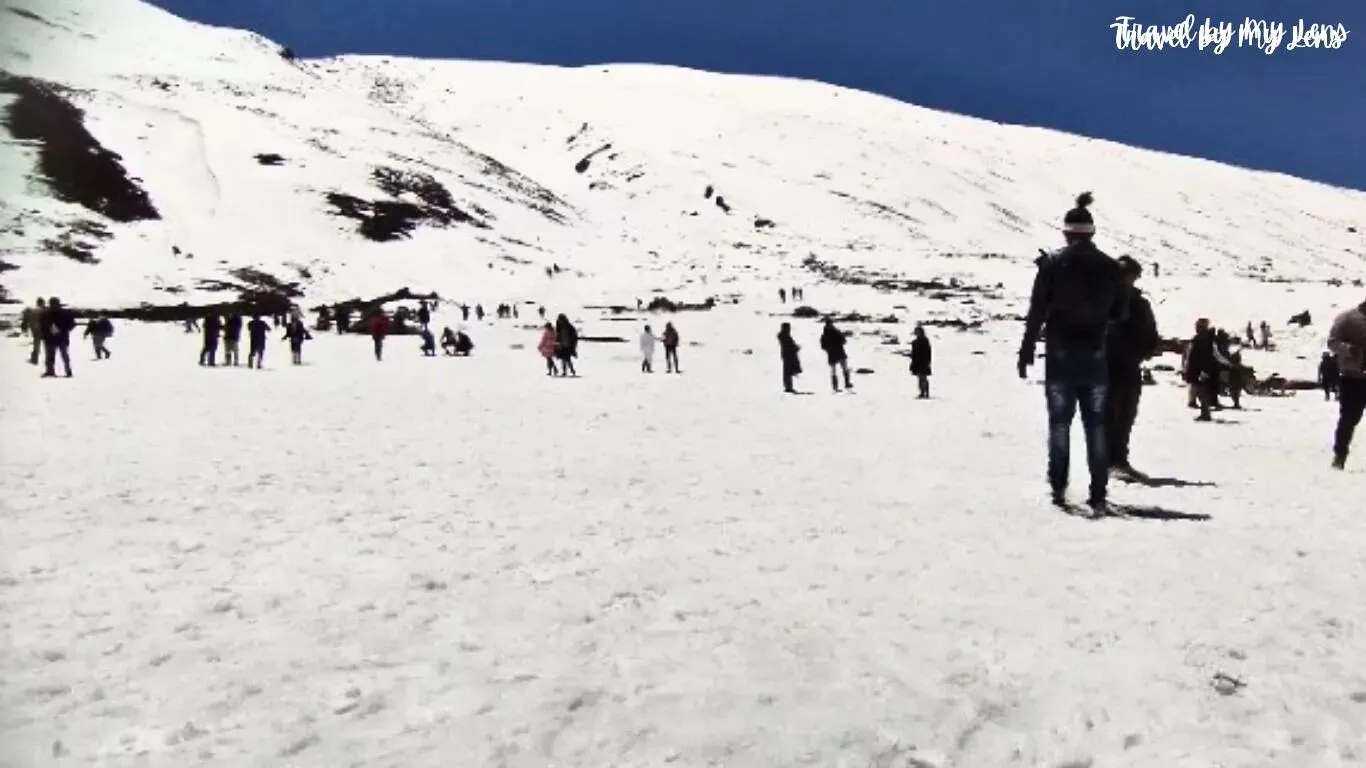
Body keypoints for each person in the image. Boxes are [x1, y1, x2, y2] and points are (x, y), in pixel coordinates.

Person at [1018, 192, 1126, 511]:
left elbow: (1036, 311)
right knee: (1095, 425)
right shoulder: (1110, 267)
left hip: (1060, 355)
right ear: (1092, 233)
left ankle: (1058, 488)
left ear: (1065, 233)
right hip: (1094, 355)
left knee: (1059, 425)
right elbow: (1120, 313)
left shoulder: (1052, 264)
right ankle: (1098, 493)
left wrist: (1026, 351)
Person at [1103, 256, 1159, 474]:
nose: (1129, 281)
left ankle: (1119, 459)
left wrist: (1147, 349)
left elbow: (1150, 330)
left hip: (1130, 365)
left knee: (1127, 413)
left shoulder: (1140, 303)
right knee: (1108, 414)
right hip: (1106, 365)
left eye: (1133, 276)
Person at [1327, 298, 1366, 469]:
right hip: (1353, 376)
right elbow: (1332, 342)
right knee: (1349, 418)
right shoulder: (1347, 318)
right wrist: (1348, 349)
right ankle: (1340, 455)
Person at [1184, 319, 1230, 422]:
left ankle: (1205, 414)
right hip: (1201, 369)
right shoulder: (1205, 339)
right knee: (1202, 392)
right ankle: (1205, 413)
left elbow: (1213, 354)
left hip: (1202, 369)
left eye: (1198, 326)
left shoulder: (1203, 340)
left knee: (1202, 392)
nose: (1196, 328)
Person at [41, 297, 77, 378]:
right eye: (51, 304)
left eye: (54, 304)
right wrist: (46, 333)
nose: (53, 306)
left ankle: (68, 371)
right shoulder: (46, 314)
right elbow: (42, 326)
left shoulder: (65, 313)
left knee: (64, 356)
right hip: (51, 338)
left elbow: (72, 324)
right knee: (50, 357)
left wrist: (62, 329)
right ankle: (50, 371)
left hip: (61, 338)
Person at [819, 318, 854, 392]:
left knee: (836, 370)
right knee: (841, 368)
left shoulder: (825, 334)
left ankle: (838, 385)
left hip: (832, 353)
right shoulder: (836, 332)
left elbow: (823, 346)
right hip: (839, 352)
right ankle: (845, 383)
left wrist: (828, 349)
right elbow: (844, 341)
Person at [909, 325, 932, 398]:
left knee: (923, 377)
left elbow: (928, 352)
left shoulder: (925, 341)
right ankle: (922, 392)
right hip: (916, 362)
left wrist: (928, 361)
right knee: (919, 378)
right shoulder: (915, 342)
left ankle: (926, 393)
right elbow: (914, 353)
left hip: (923, 361)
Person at [778, 322, 802, 394]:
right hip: (788, 355)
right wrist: (796, 348)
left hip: (787, 355)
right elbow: (789, 346)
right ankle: (788, 387)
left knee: (787, 372)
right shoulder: (785, 337)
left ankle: (788, 387)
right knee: (788, 372)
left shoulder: (784, 336)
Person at [21, 298, 45, 365]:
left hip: (35, 329)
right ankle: (48, 362)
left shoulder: (33, 310)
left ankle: (35, 359)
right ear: (43, 303)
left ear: (37, 303)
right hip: (44, 330)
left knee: (36, 344)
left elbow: (26, 320)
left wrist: (26, 328)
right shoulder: (45, 310)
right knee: (47, 346)